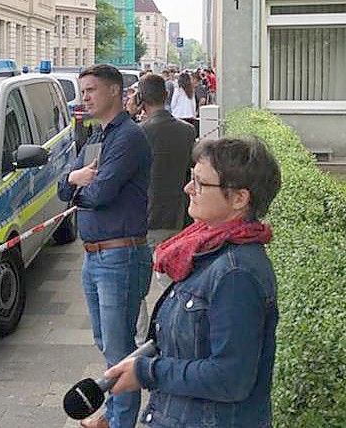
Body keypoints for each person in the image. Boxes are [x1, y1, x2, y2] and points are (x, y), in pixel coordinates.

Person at [102, 137, 282, 428]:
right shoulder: (206, 250)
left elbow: (230, 379)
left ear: (239, 198)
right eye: (190, 178)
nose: (188, 188)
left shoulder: (236, 273)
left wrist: (148, 372)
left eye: (199, 183)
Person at [58, 64, 152, 428]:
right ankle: (114, 415)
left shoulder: (128, 137)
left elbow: (100, 193)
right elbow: (64, 189)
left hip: (120, 253)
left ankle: (119, 422)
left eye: (91, 90)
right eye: (83, 92)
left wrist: (78, 186)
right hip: (94, 255)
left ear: (115, 90)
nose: (85, 98)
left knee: (118, 348)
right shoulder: (98, 136)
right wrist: (73, 178)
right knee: (104, 340)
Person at [132, 74, 195, 346]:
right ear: (166, 96)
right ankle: (173, 334)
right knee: (171, 283)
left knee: (136, 288)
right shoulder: (186, 131)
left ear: (141, 101)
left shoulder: (137, 133)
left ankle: (141, 340)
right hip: (178, 217)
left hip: (143, 219)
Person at [170, 72, 198, 136]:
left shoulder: (178, 90)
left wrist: (173, 111)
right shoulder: (191, 90)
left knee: (178, 135)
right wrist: (194, 113)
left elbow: (173, 103)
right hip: (189, 115)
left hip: (178, 115)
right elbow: (193, 104)